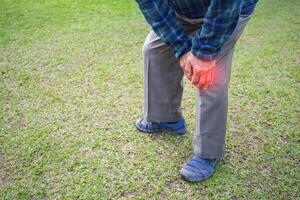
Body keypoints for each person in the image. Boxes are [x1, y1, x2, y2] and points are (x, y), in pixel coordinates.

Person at [134, 0, 258, 182]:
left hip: (227, 12)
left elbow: (226, 6)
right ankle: (165, 119)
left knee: (209, 76)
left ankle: (208, 152)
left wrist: (204, 53)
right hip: (182, 11)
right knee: (154, 50)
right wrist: (182, 48)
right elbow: (150, 3)